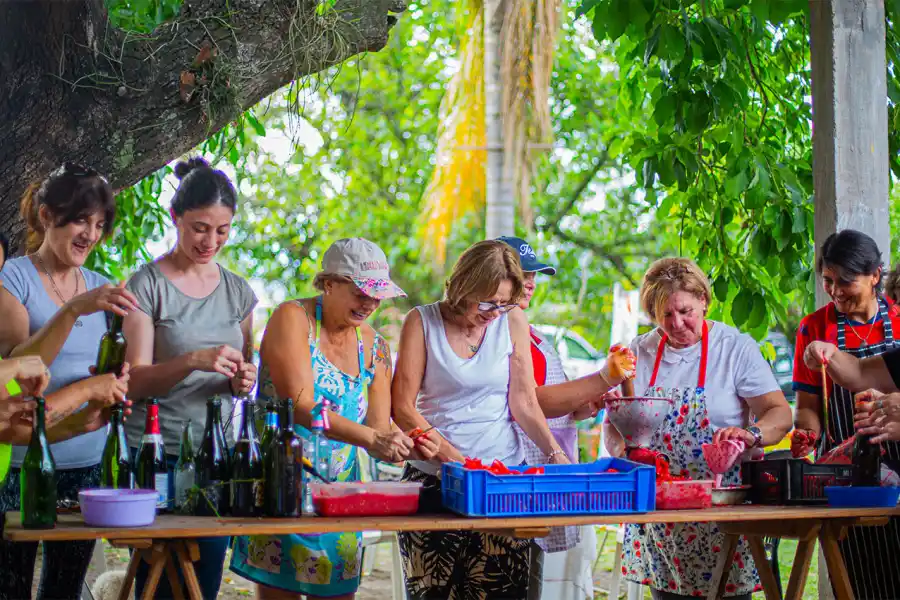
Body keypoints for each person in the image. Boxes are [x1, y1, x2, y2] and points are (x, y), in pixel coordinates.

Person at [230, 237, 427, 600]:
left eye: (376, 294)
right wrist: (372, 439)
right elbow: (302, 403)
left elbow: (379, 425)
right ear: (329, 283)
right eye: (360, 292)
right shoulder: (293, 318)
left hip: (340, 497)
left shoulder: (376, 347)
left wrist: (403, 445)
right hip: (281, 488)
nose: (369, 303)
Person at [392, 239, 571, 600]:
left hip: (500, 481)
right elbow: (403, 406)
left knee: (501, 591)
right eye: (487, 301)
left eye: (504, 304)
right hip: (435, 480)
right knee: (434, 592)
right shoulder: (421, 321)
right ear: (463, 287)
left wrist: (554, 453)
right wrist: (453, 458)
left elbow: (523, 400)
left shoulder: (512, 320)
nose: (495, 311)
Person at [605, 257, 790, 599]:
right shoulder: (638, 353)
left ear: (704, 301)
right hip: (661, 520)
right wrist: (625, 453)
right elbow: (613, 424)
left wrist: (752, 435)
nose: (676, 324)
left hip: (723, 513)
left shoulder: (734, 349)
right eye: (665, 315)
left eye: (685, 311)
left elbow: (779, 413)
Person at [123, 157, 258, 600]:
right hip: (155, 456)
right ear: (175, 218)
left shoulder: (238, 291)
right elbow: (133, 383)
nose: (211, 241)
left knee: (205, 582)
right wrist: (192, 360)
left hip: (214, 456)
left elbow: (244, 375)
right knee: (157, 583)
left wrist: (243, 380)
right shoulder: (145, 285)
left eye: (222, 230)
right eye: (200, 227)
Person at [0, 163, 133, 600]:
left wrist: (114, 380)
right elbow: (18, 374)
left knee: (65, 591)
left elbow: (101, 368)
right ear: (45, 216)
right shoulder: (12, 278)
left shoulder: (100, 287)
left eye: (98, 224)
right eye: (80, 219)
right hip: (23, 464)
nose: (90, 234)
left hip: (87, 463)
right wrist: (74, 309)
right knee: (11, 589)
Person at [499, 235, 633, 600]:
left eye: (535, 274)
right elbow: (532, 401)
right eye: (521, 274)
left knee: (544, 579)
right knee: (522, 577)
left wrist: (586, 404)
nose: (530, 282)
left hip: (553, 465)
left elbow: (558, 402)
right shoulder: (499, 332)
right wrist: (601, 378)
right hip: (525, 471)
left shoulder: (539, 336)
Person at [792, 230, 900, 600]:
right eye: (827, 280)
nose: (835, 290)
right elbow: (811, 405)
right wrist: (805, 435)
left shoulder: (899, 318)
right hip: (848, 474)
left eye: (845, 281)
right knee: (860, 579)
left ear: (875, 275)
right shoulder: (812, 327)